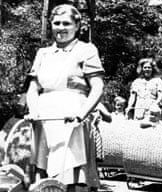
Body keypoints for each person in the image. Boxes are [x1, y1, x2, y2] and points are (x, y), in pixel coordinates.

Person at [25, 4, 105, 192]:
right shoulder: (43, 53)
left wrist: (81, 114)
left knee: (71, 170)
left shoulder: (86, 50)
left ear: (77, 26)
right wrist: (33, 111)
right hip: (44, 119)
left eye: (66, 23)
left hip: (72, 119)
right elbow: (32, 88)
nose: (61, 28)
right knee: (44, 173)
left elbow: (98, 87)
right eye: (57, 23)